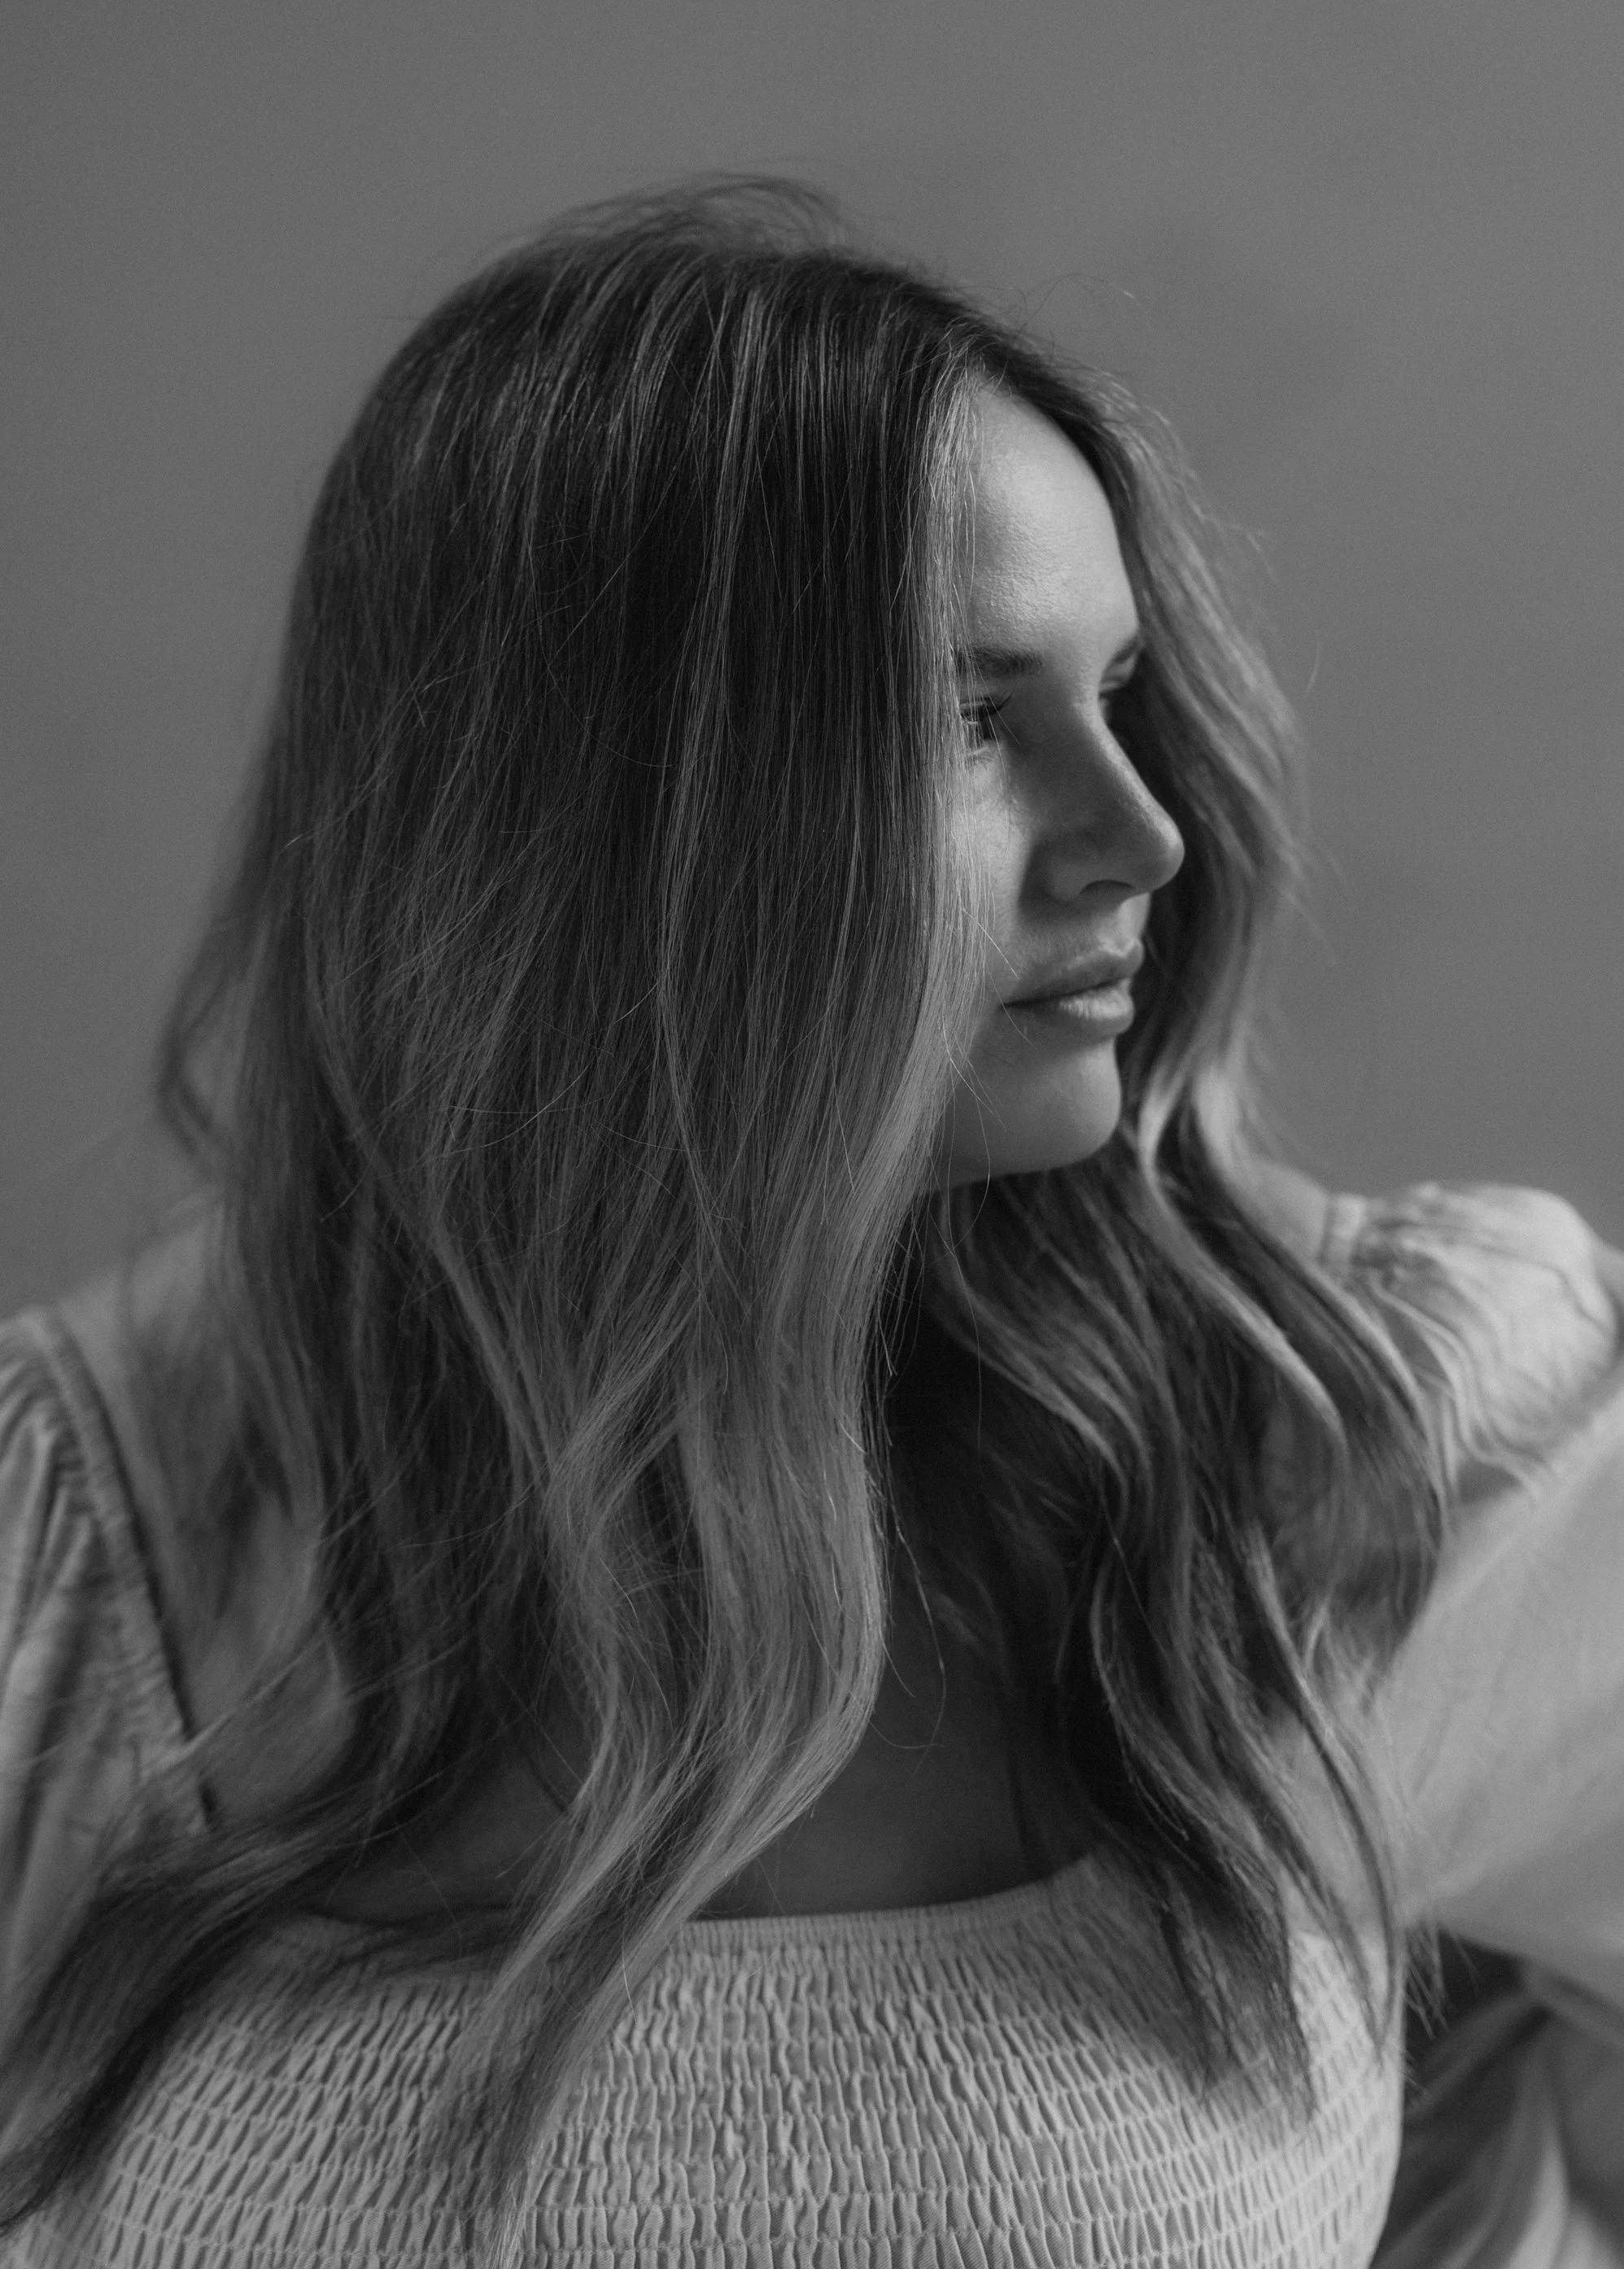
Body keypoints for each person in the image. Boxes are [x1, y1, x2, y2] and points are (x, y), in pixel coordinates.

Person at [1, 179, 1622, 2268]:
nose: (1137, 829)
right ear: (595, 827)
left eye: (1118, 690)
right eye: (968, 715)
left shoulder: (1342, 1441)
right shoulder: (73, 1569)